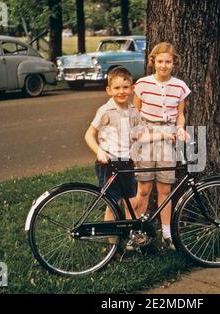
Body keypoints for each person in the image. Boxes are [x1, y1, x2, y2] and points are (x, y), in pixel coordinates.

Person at [133, 42, 191, 251]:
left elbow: (180, 114)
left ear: (174, 63)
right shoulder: (142, 84)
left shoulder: (180, 86)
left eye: (168, 62)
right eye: (160, 61)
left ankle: (167, 234)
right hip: (147, 138)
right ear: (153, 62)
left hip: (169, 139)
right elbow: (135, 114)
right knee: (144, 188)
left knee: (165, 188)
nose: (164, 66)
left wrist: (181, 128)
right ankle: (136, 233)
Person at [85, 67, 141, 226]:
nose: (121, 91)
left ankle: (132, 238)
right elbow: (89, 135)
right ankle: (113, 245)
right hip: (108, 163)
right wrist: (99, 151)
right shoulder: (105, 111)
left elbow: (140, 135)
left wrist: (165, 135)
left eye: (125, 87)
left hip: (127, 163)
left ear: (132, 88)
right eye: (116, 88)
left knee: (132, 202)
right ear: (109, 90)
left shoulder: (133, 112)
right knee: (112, 205)